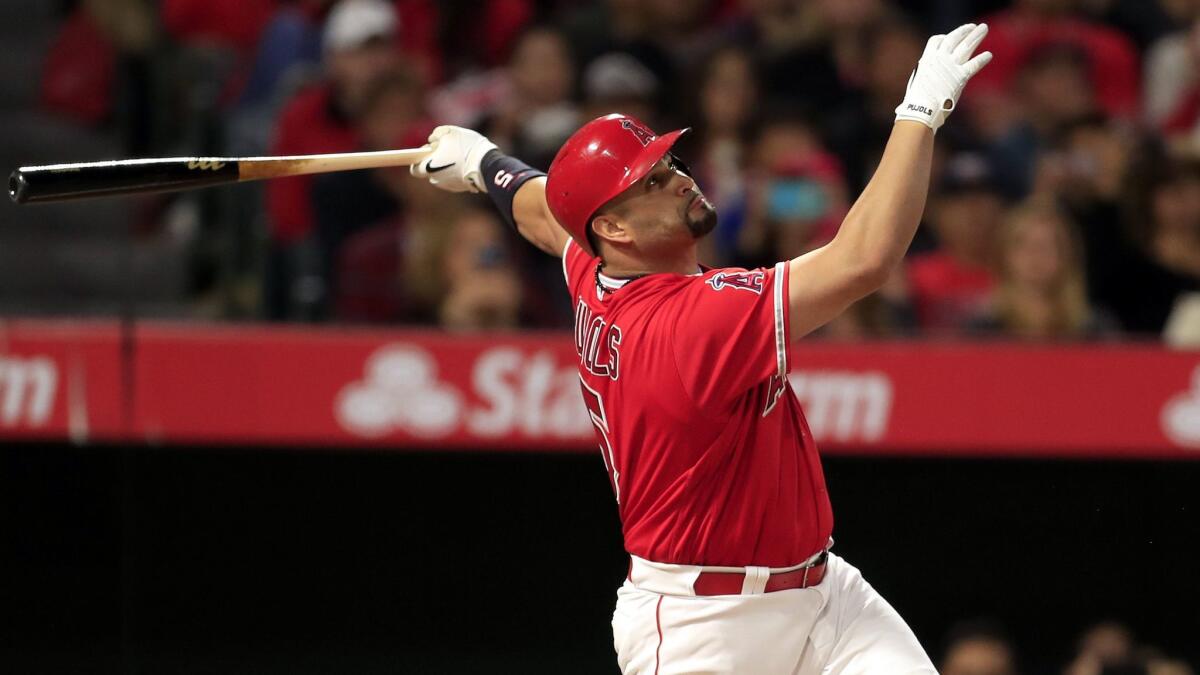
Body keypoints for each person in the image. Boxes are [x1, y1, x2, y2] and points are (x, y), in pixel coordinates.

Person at [409, 22, 993, 675]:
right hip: (702, 628)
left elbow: (544, 212)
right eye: (653, 181)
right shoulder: (692, 319)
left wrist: (486, 163)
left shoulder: (597, 268)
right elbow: (864, 259)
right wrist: (919, 114)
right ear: (617, 226)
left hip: (826, 599)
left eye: (669, 164)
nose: (679, 179)